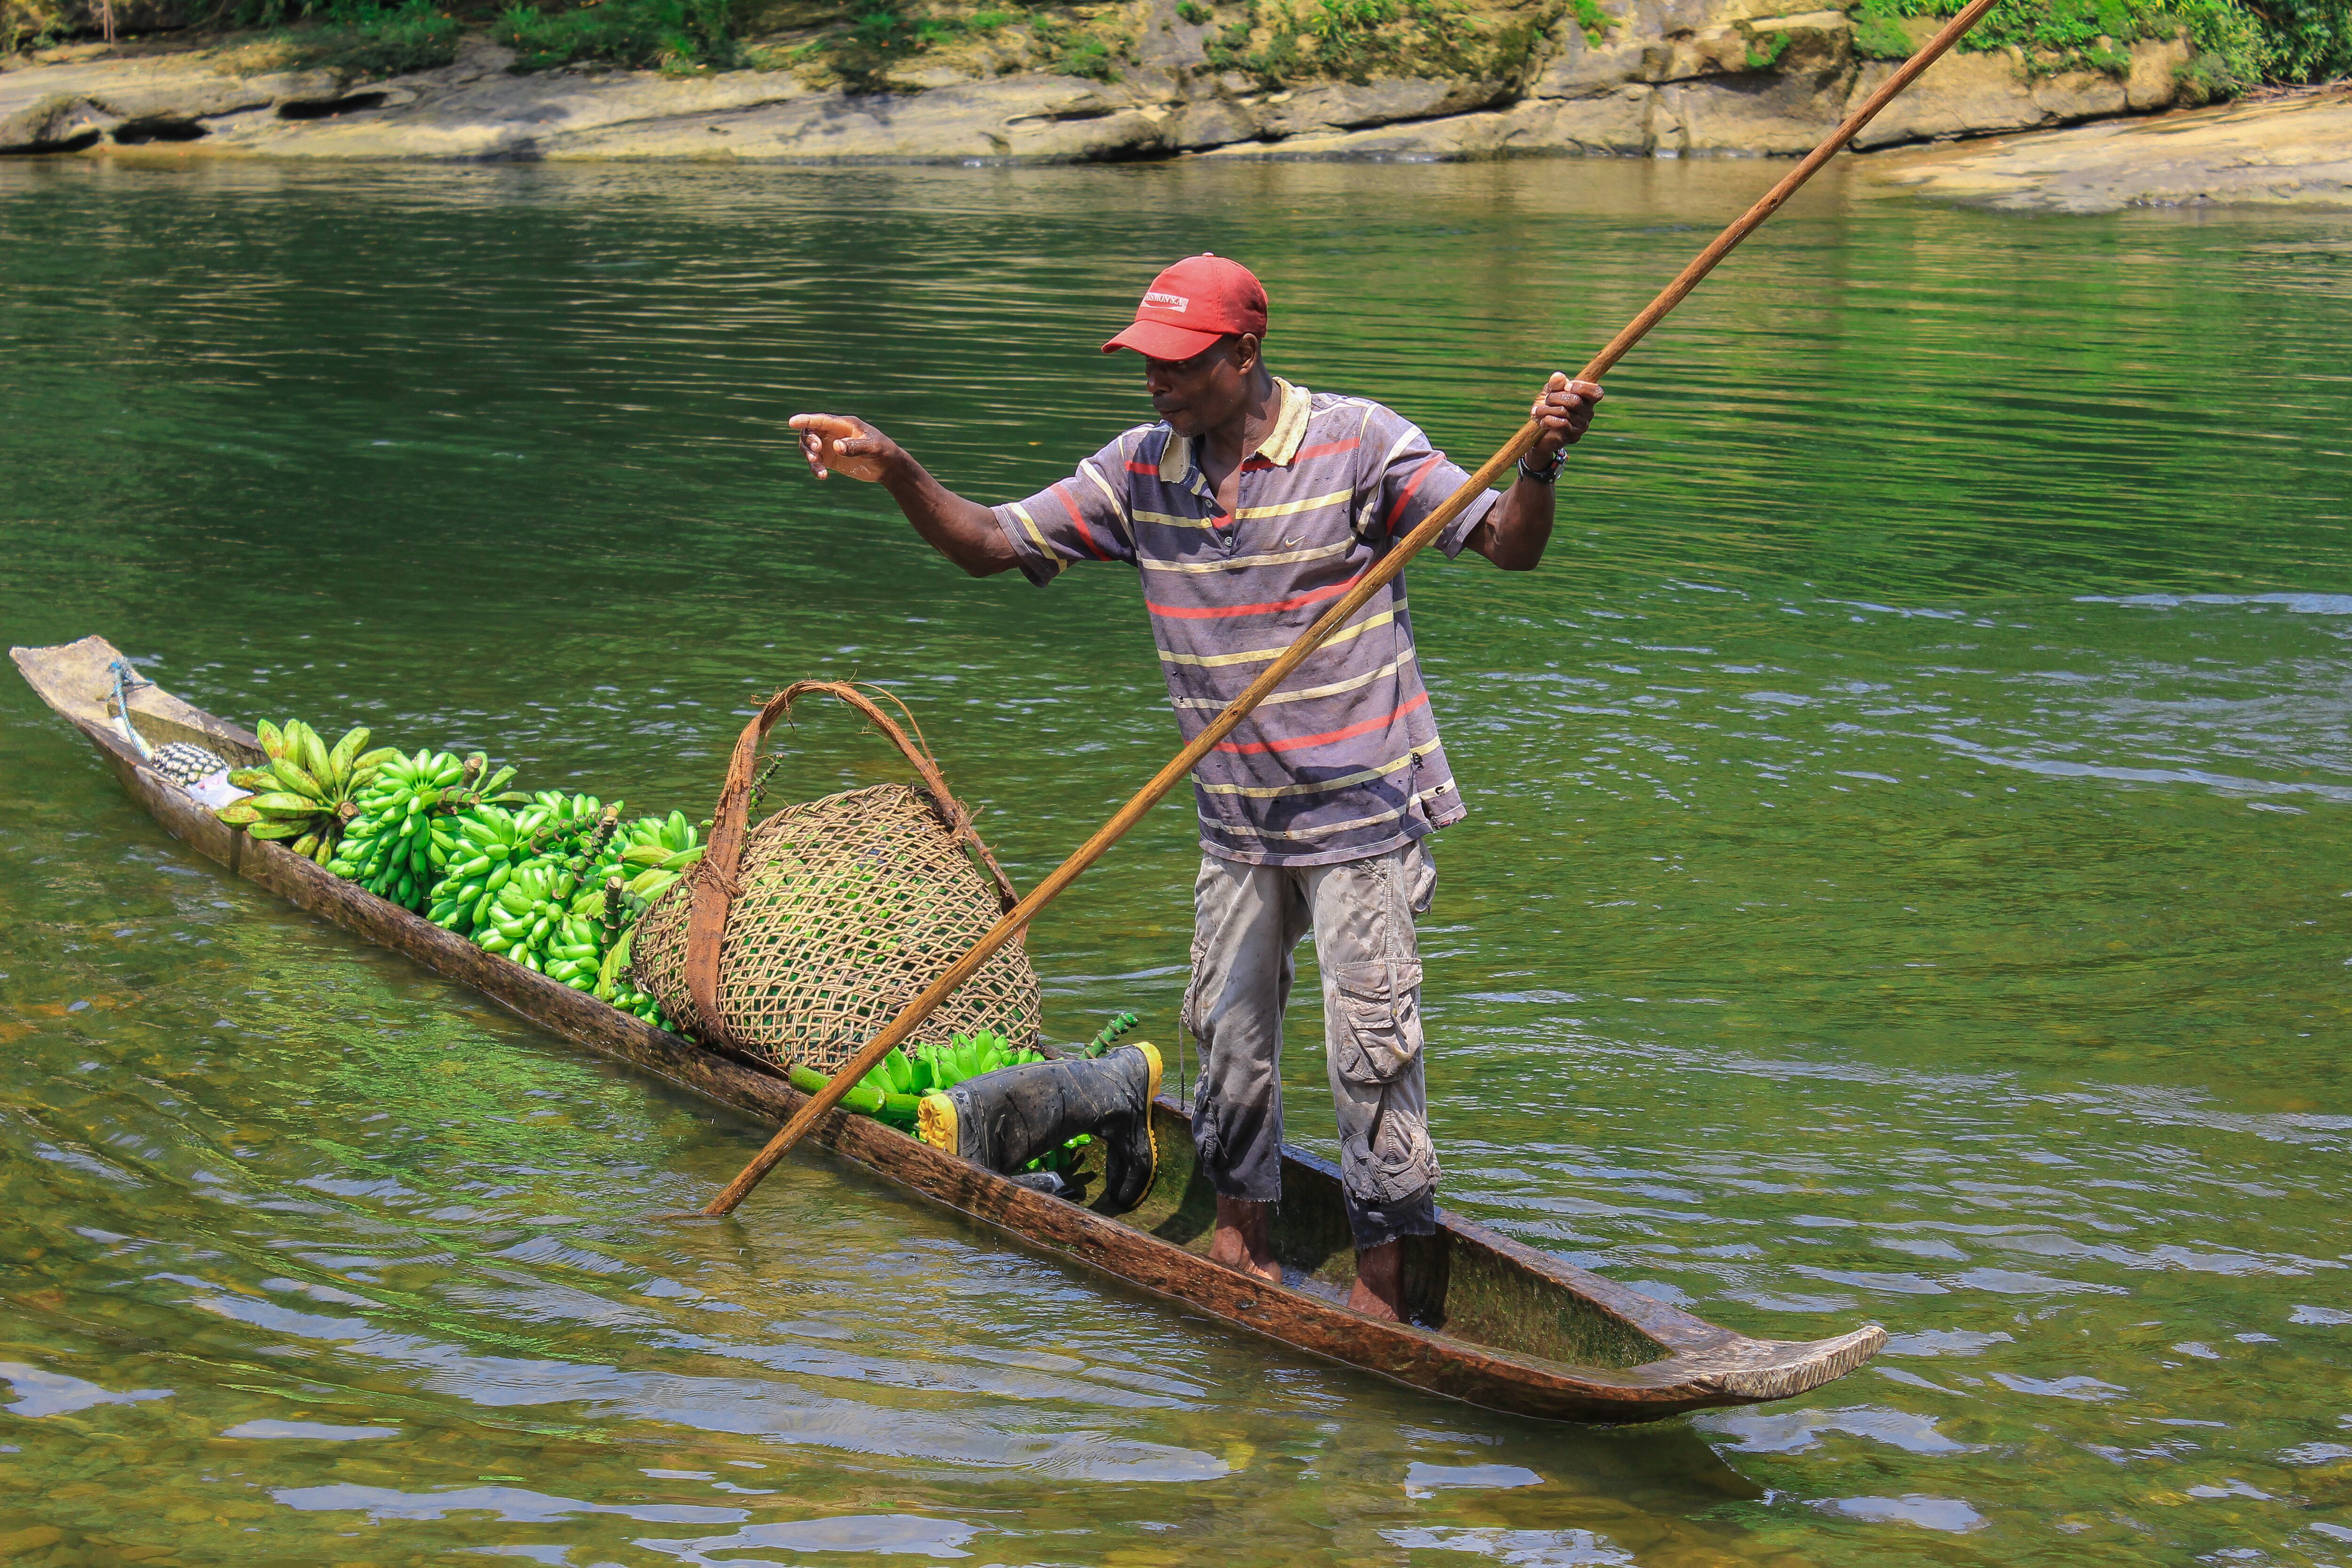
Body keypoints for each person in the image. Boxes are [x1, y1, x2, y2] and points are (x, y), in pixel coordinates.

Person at [790, 254, 1602, 1321]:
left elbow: (1506, 545)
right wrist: (897, 469)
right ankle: (1237, 1247)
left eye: (1178, 363)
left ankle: (1381, 1289)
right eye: (1145, 361)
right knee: (1227, 1043)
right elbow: (991, 543)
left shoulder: (1358, 442)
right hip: (1235, 818)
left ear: (1243, 356)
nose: (1155, 381)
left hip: (1360, 812)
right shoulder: (1142, 469)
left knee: (1370, 1054)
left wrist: (1539, 462)